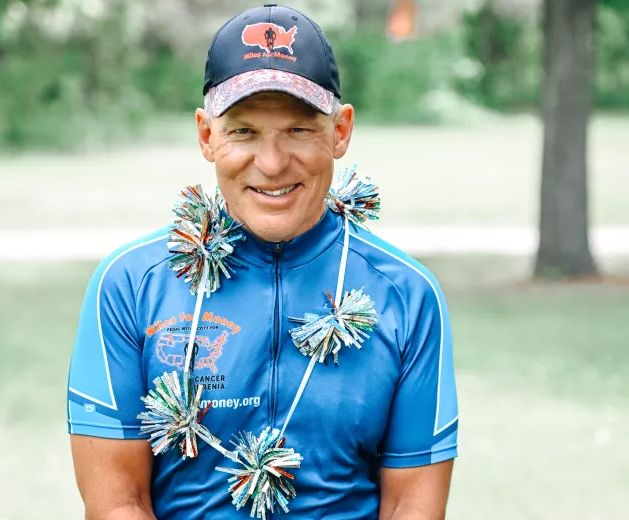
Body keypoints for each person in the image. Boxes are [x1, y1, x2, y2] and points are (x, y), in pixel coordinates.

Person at [67, 4, 458, 519]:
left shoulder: (405, 296)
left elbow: (412, 506)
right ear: (207, 136)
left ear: (340, 132)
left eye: (298, 130)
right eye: (244, 131)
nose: (272, 165)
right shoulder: (130, 285)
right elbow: (118, 503)